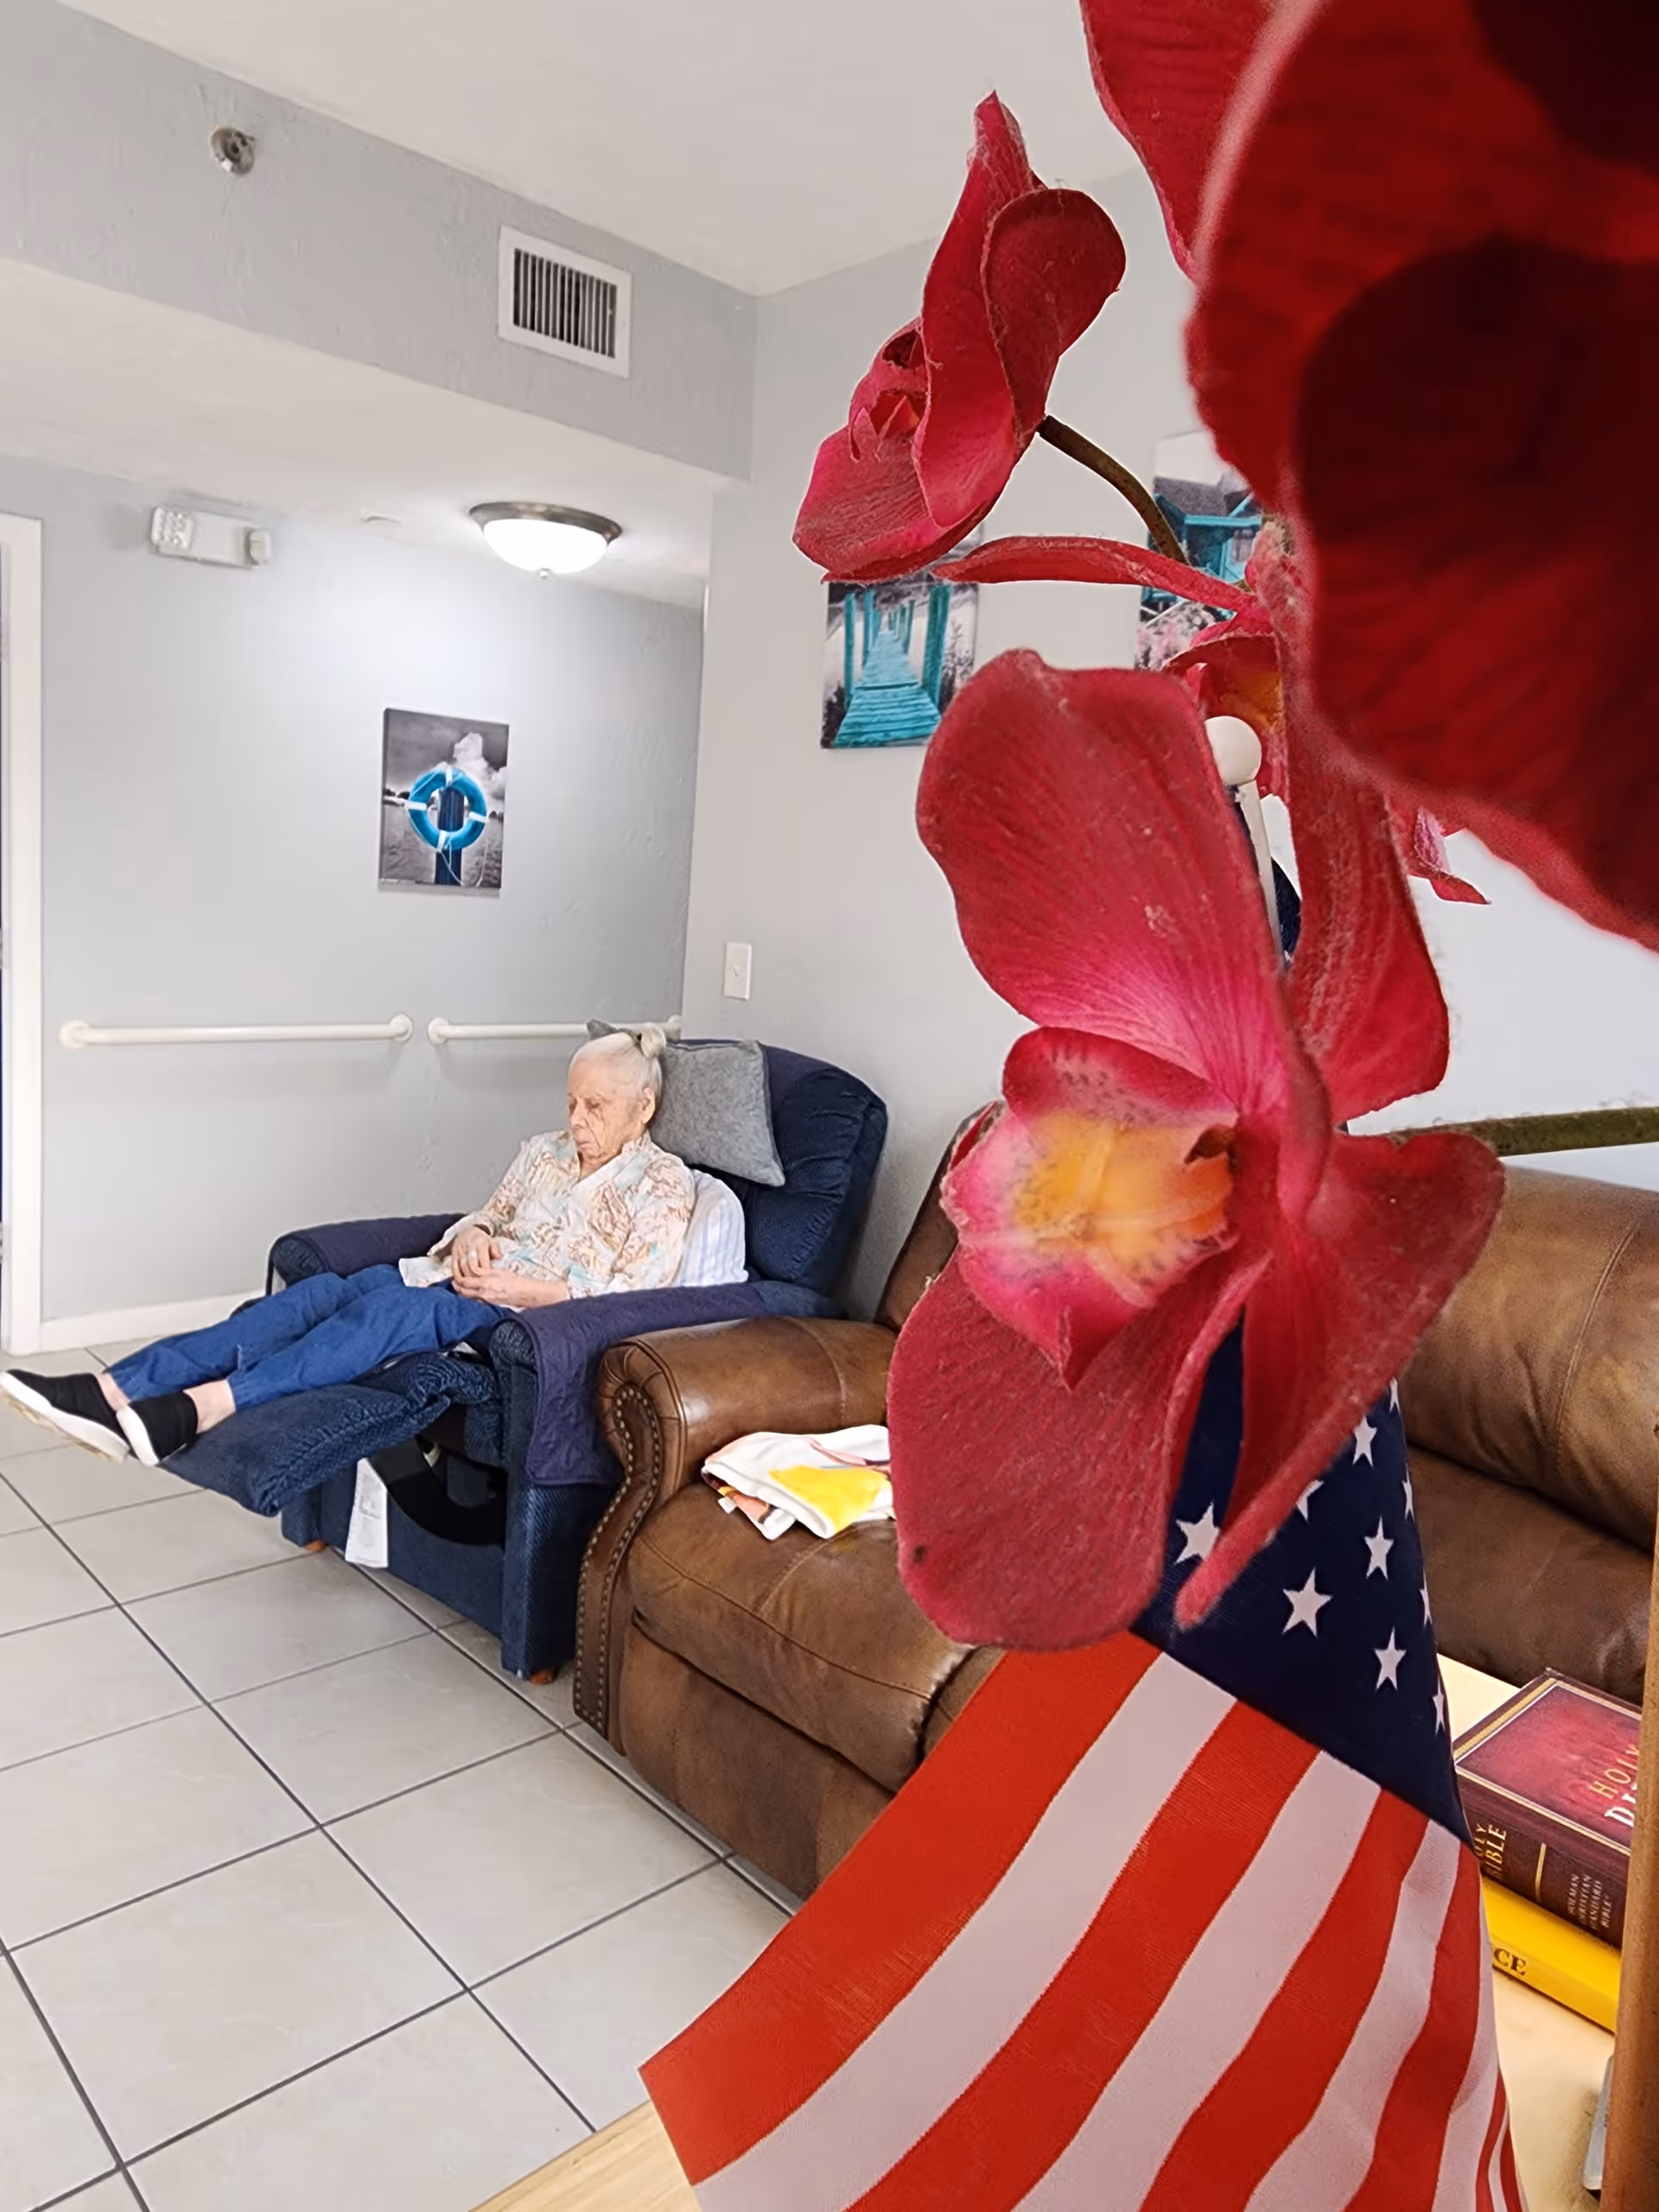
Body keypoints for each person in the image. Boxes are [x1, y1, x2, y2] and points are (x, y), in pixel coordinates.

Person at [2, 1027, 693, 1468]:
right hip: (447, 1276)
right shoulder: (543, 1154)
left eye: (595, 1108)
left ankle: (204, 1406)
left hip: (513, 1321)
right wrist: (476, 1236)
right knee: (312, 1299)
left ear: (645, 1108)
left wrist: (524, 1292)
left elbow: (637, 1295)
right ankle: (111, 1389)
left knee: (389, 1316)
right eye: (570, 1102)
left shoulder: (663, 1186)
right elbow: (486, 1213)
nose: (575, 1121)